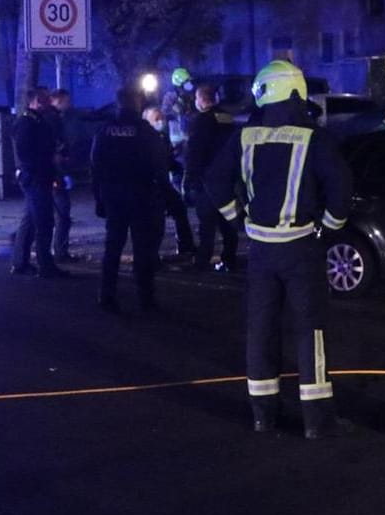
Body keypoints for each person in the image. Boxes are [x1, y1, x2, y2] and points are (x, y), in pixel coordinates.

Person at [207, 60, 353, 438]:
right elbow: (340, 188)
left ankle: (263, 414)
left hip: (260, 249)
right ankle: (317, 421)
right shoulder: (313, 137)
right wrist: (329, 228)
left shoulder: (245, 135)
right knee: (310, 330)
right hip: (301, 245)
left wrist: (237, 219)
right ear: (296, 92)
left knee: (260, 329)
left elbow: (214, 181)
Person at [93, 88, 171, 313]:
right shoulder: (145, 131)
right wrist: (165, 196)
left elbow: (95, 166)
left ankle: (106, 296)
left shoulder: (105, 131)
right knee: (143, 250)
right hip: (142, 197)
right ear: (136, 103)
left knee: (113, 247)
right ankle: (145, 298)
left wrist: (99, 199)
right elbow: (159, 166)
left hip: (114, 197)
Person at [182, 84, 239, 271]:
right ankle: (229, 258)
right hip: (228, 179)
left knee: (207, 224)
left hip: (206, 179)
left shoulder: (201, 120)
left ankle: (202, 261)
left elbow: (194, 152)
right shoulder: (228, 118)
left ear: (202, 99)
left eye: (197, 98)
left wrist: (189, 179)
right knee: (228, 222)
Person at [11, 89, 65, 278]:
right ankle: (45, 265)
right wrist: (48, 161)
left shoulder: (38, 121)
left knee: (31, 220)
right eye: (44, 99)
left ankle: (20, 262)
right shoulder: (26, 123)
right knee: (44, 221)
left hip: (37, 176)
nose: (48, 102)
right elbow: (25, 153)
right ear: (34, 101)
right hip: (35, 177)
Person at [143, 106, 197, 260]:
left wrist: (176, 165)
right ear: (146, 121)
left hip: (163, 184)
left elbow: (166, 159)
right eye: (156, 119)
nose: (160, 121)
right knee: (154, 222)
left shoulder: (161, 136)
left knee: (179, 210)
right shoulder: (145, 138)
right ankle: (151, 256)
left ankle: (185, 246)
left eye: (161, 118)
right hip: (150, 186)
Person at [49, 89, 86, 261]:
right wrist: (62, 174)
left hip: (54, 173)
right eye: (66, 101)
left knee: (52, 212)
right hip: (55, 175)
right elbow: (55, 151)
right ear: (58, 100)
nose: (69, 104)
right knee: (62, 213)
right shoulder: (53, 120)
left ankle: (56, 249)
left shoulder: (55, 119)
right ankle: (60, 251)